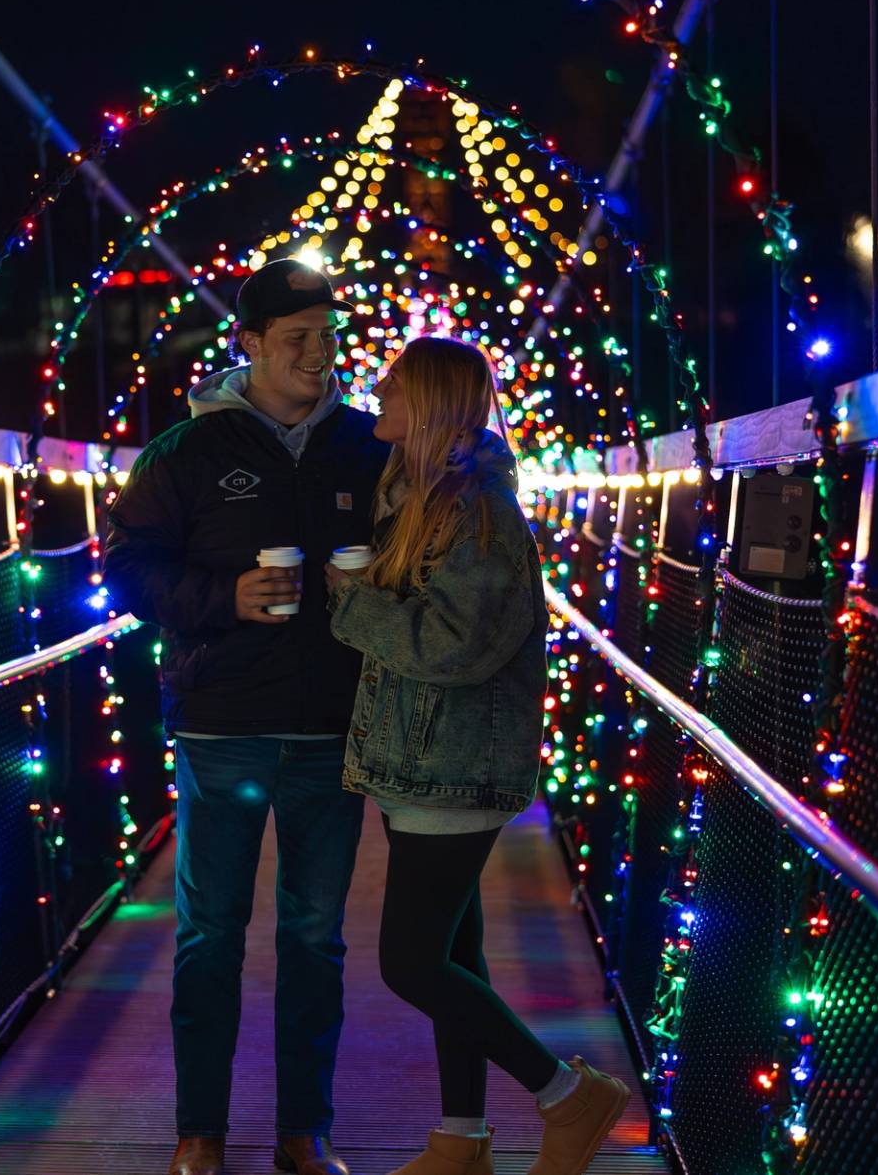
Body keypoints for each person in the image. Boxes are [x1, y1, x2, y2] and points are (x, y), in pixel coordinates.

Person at [104, 257, 392, 1175]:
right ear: (253, 344)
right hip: (221, 722)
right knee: (210, 933)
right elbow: (126, 571)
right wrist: (224, 594)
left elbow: (420, 554)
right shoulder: (184, 454)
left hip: (331, 724)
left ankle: (305, 1132)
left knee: (315, 935)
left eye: (329, 338)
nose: (319, 354)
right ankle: (201, 1133)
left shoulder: (368, 445)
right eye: (299, 339)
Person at [323, 337, 630, 1175]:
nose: (375, 389)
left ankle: (570, 1095)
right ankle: (461, 1142)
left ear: (428, 405)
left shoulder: (481, 517)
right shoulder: (426, 495)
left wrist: (348, 604)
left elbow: (455, 646)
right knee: (455, 954)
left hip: (451, 762)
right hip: (423, 756)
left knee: (411, 962)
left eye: (393, 384)